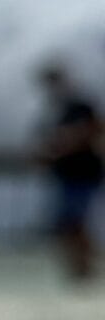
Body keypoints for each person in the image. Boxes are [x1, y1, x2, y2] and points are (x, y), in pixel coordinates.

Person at [34, 61, 103, 284]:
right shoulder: (54, 111)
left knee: (73, 222)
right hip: (66, 175)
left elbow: (94, 128)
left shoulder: (78, 106)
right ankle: (79, 269)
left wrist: (67, 142)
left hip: (82, 174)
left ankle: (84, 268)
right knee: (67, 224)